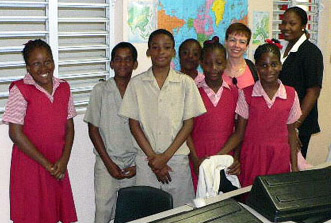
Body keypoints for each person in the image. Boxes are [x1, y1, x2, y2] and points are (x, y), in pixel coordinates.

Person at [119, 29, 206, 207]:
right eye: (155, 47)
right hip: (146, 161)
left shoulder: (185, 83)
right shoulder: (136, 84)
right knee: (148, 212)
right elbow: (134, 125)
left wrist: (164, 157)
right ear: (148, 51)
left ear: (173, 52)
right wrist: (154, 159)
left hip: (176, 161)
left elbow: (188, 124)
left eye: (166, 47)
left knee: (181, 213)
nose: (161, 52)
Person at [3, 39, 77, 223]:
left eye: (47, 61)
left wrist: (64, 159)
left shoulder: (64, 88)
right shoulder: (20, 90)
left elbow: (69, 127)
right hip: (31, 165)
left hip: (57, 164)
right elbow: (15, 133)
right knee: (32, 215)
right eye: (36, 63)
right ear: (28, 67)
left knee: (52, 213)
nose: (43, 67)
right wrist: (46, 164)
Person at [220, 42, 301, 189]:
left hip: (279, 158)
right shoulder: (246, 94)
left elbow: (291, 134)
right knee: (252, 198)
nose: (269, 69)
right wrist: (233, 158)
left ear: (280, 65)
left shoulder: (291, 94)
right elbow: (239, 133)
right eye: (264, 65)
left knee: (278, 197)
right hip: (253, 157)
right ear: (256, 67)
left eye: (274, 64)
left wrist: (294, 167)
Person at [84, 42, 138, 223]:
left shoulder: (140, 90)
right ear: (112, 64)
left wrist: (138, 165)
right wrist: (108, 163)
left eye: (128, 60)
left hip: (133, 163)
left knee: (130, 212)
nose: (123, 64)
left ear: (135, 64)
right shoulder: (100, 90)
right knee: (103, 212)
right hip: (106, 161)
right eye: (118, 60)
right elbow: (93, 130)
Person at [188, 36, 239, 190]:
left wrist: (235, 158)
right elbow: (186, 131)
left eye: (218, 63)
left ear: (225, 63)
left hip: (226, 160)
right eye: (208, 63)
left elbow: (240, 131)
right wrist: (196, 160)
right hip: (198, 159)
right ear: (201, 63)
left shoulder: (235, 93)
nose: (213, 68)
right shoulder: (193, 92)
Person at [279, 6, 324, 158]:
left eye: (292, 23)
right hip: (282, 122)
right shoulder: (283, 48)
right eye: (284, 23)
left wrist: (295, 125)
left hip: (300, 124)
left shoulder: (311, 53)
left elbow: (313, 91)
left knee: (294, 169)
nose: (286, 27)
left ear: (303, 25)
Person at [223, 23, 259, 89]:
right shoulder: (216, 69)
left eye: (242, 42)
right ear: (226, 42)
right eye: (232, 40)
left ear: (247, 46)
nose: (236, 45)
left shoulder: (254, 70)